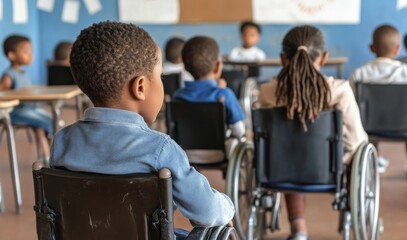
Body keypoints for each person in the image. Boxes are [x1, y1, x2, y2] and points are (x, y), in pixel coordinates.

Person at [49, 22, 235, 238]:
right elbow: (207, 211)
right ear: (140, 87)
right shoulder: (161, 150)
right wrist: (228, 206)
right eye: (160, 77)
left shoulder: (63, 141)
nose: (162, 83)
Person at [258, 25, 368, 240]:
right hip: (328, 169)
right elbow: (355, 142)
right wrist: (337, 160)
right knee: (357, 153)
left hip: (280, 170)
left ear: (283, 58)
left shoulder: (268, 92)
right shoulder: (339, 91)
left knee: (290, 155)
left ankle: (298, 228)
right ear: (324, 56)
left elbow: (265, 140)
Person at [349, 24, 407, 180]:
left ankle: (374, 158)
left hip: (370, 126)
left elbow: (351, 102)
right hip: (403, 126)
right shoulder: (405, 71)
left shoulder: (359, 73)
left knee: (368, 117)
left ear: (372, 47)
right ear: (397, 49)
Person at [173, 36, 246, 163]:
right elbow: (240, 131)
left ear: (185, 67)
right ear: (217, 66)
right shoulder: (224, 94)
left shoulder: (178, 96)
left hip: (184, 154)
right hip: (218, 154)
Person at [0, 35, 52, 161]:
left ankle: (47, 155)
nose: (30, 55)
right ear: (12, 55)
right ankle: (48, 157)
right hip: (17, 112)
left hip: (30, 109)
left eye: (31, 51)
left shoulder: (23, 73)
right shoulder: (9, 75)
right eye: (25, 51)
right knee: (46, 123)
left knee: (52, 119)